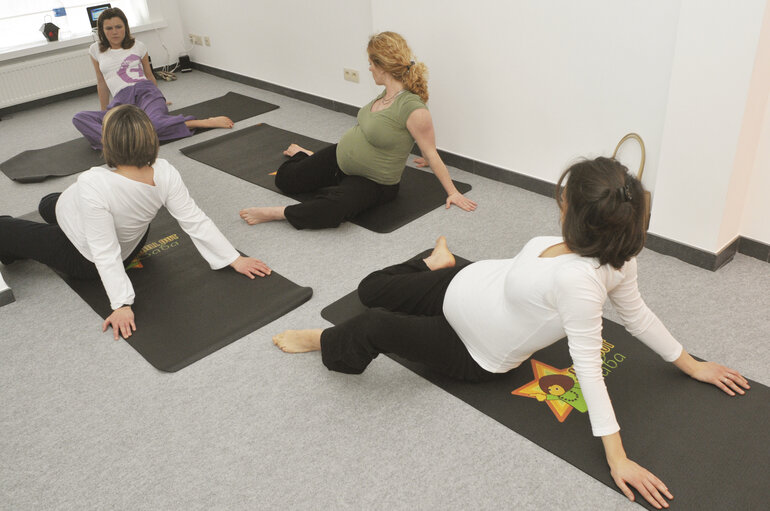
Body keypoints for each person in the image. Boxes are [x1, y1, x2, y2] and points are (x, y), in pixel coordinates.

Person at [272, 156, 750, 509]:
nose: (558, 199)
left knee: (370, 324)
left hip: (473, 348)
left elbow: (599, 355)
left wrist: (619, 456)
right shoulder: (598, 245)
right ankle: (436, 259)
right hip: (463, 282)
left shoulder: (584, 280)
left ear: (575, 213)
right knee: (370, 288)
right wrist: (693, 363)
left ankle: (325, 343)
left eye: (563, 197)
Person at [1, 104, 271, 340]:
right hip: (131, 239)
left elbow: (104, 251)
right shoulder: (164, 170)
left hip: (85, 258)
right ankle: (37, 237)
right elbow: (194, 219)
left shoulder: (93, 182)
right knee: (47, 203)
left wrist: (121, 304)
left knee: (6, 226)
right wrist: (233, 258)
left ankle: (12, 251)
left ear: (108, 144)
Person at [239, 31, 476, 230]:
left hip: (374, 182)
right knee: (285, 180)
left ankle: (277, 213)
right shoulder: (386, 92)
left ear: (382, 66)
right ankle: (305, 155)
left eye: (372, 63)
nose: (369, 68)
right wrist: (423, 155)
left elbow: (431, 150)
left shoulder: (413, 108)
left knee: (332, 209)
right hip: (341, 158)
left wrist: (452, 192)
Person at [72, 7, 233, 150]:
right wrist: (105, 115)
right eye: (109, 28)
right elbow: (101, 83)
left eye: (118, 27)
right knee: (80, 118)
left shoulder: (138, 45)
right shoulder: (95, 50)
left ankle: (201, 122)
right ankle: (120, 141)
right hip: (121, 101)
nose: (114, 32)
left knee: (154, 123)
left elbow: (149, 75)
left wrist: (159, 99)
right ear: (102, 30)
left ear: (125, 27)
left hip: (145, 92)